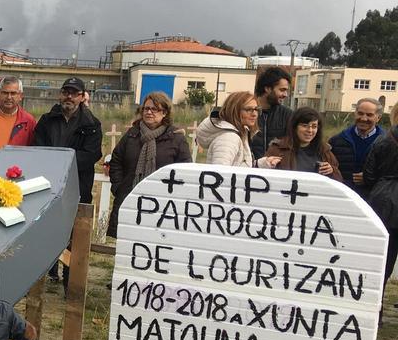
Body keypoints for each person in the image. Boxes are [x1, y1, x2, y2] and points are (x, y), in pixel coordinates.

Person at [32, 77, 102, 283]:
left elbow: (91, 154)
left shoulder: (92, 124)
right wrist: (54, 164)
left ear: (82, 97)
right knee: (48, 231)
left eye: (74, 93)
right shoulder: (46, 120)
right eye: (65, 92)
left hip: (77, 185)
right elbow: (39, 146)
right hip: (49, 185)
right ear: (60, 94)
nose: (69, 96)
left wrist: (64, 163)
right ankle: (46, 275)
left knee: (75, 235)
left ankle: (70, 280)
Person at [106, 92, 192, 238]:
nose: (149, 112)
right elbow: (116, 161)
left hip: (162, 203)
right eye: (146, 109)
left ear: (164, 112)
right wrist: (118, 187)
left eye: (154, 109)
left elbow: (185, 170)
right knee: (127, 242)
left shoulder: (176, 138)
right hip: (130, 198)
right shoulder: (132, 134)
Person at [195, 92, 280, 168]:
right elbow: (219, 175)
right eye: (249, 110)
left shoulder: (241, 133)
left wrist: (261, 164)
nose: (254, 114)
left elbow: (238, 167)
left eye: (256, 109)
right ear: (234, 111)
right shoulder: (229, 138)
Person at [362, 102, 398, 279]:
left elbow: (369, 176)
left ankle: (379, 301)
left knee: (385, 258)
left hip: (383, 201)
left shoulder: (383, 139)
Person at [265, 107, 342, 180]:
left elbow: (339, 181)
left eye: (314, 126)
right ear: (294, 127)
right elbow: (265, 176)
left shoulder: (325, 151)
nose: (310, 130)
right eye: (305, 126)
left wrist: (331, 172)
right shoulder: (278, 149)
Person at [329, 97, 383, 196]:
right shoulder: (336, 141)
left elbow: (391, 175)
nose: (363, 118)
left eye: (369, 115)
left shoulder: (387, 144)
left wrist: (369, 178)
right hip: (342, 196)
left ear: (378, 118)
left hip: (373, 200)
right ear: (355, 114)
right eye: (360, 113)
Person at [249, 66, 294, 159]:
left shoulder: (288, 115)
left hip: (277, 171)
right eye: (282, 90)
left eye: (286, 91)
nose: (285, 95)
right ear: (268, 89)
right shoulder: (246, 112)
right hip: (249, 170)